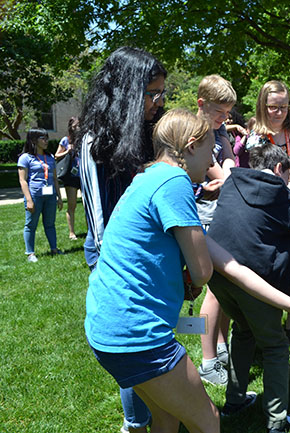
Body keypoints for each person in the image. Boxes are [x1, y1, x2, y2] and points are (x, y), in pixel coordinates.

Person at [85, 108, 290, 433]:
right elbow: (202, 272)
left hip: (104, 326)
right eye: (212, 151)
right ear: (192, 146)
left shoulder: (146, 176)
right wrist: (190, 273)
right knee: (208, 420)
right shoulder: (174, 181)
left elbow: (230, 265)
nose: (213, 163)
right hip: (137, 333)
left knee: (168, 420)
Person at [207, 142, 290, 433]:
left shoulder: (233, 181)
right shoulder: (280, 195)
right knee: (275, 345)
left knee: (243, 331)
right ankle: (277, 420)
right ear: (278, 169)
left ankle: (235, 400)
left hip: (218, 277)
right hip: (255, 282)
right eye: (287, 176)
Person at [79, 46, 167, 433]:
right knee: (132, 339)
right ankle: (136, 423)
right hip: (112, 255)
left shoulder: (151, 132)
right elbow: (98, 219)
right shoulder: (95, 140)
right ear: (129, 92)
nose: (158, 102)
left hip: (151, 252)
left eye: (162, 93)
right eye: (152, 94)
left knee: (155, 334)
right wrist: (112, 269)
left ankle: (161, 405)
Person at [247, 80, 290, 355]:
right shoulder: (255, 132)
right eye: (273, 107)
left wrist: (288, 182)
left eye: (283, 106)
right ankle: (265, 325)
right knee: (270, 265)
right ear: (263, 106)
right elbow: (259, 169)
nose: (278, 112)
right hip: (270, 203)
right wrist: (285, 184)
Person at [194, 74, 238, 387]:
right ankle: (208, 361)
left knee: (223, 288)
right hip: (202, 215)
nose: (224, 119)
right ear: (201, 105)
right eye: (219, 113)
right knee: (213, 287)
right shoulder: (195, 132)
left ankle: (221, 346)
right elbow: (220, 172)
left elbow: (229, 166)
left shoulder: (217, 130)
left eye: (227, 114)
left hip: (218, 210)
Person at [17, 128, 63, 262]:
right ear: (34, 140)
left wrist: (59, 197)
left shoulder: (49, 157)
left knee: (50, 224)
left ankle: (54, 249)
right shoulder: (25, 158)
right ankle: (30, 253)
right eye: (43, 138)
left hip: (50, 196)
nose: (46, 141)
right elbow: (23, 180)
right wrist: (29, 200)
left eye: (47, 138)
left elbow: (54, 179)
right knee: (31, 225)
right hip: (35, 196)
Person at [55, 117, 82, 240]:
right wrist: (67, 151)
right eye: (76, 126)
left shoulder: (84, 140)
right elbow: (56, 155)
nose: (78, 128)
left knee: (88, 205)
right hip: (71, 177)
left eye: (80, 125)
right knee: (72, 205)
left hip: (83, 176)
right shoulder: (65, 140)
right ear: (70, 127)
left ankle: (90, 231)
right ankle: (72, 233)